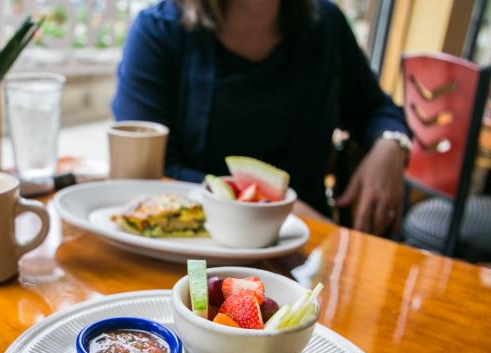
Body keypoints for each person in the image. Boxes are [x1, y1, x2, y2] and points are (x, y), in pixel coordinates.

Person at [112, 0, 411, 235]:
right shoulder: (158, 31)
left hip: (306, 248)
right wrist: (269, 208)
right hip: (190, 245)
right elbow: (154, 169)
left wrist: (390, 146)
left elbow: (376, 108)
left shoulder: (327, 24)